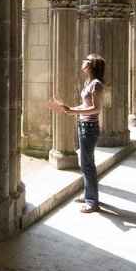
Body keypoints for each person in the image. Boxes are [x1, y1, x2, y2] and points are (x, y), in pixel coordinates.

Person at [54, 54, 105, 213]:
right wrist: (70, 110)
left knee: (87, 164)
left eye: (86, 60)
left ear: (91, 66)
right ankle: (89, 194)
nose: (83, 62)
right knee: (85, 163)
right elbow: (85, 104)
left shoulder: (96, 84)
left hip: (89, 127)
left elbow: (97, 109)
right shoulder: (87, 83)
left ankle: (92, 201)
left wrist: (73, 111)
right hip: (84, 125)